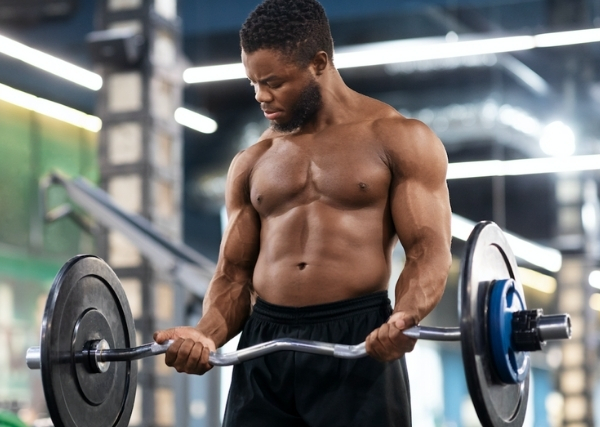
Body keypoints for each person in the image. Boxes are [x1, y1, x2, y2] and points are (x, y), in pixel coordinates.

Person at [154, 0, 452, 425]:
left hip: (358, 336)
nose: (260, 96)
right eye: (253, 83)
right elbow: (234, 275)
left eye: (273, 82)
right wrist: (206, 335)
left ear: (319, 62)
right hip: (264, 342)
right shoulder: (252, 161)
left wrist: (405, 316)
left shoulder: (398, 138)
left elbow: (428, 250)